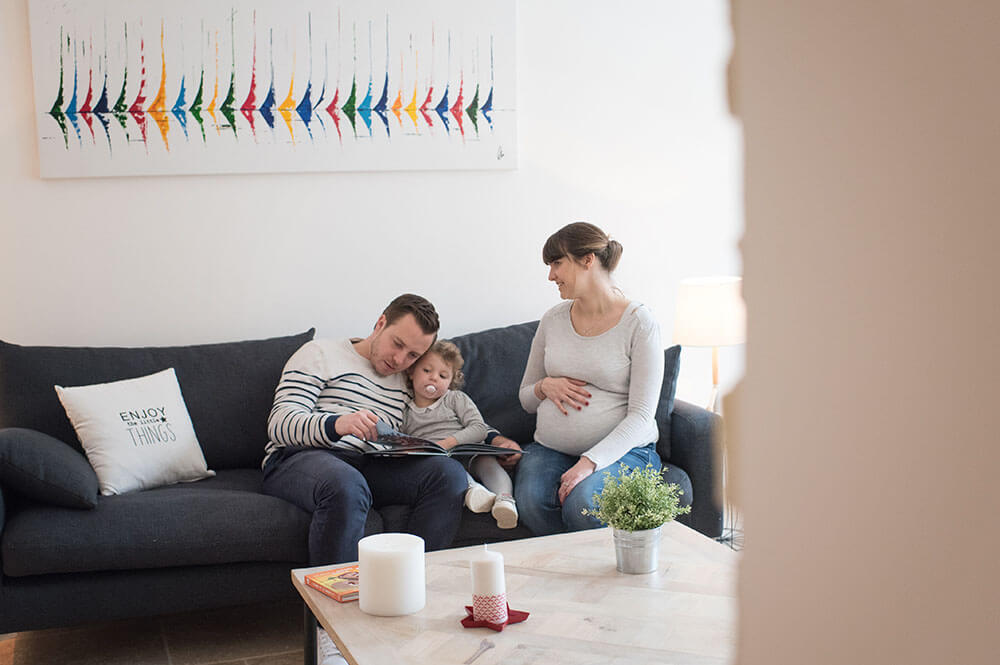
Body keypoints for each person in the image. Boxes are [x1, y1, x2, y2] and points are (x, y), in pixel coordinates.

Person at [261, 294, 469, 566]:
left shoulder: (407, 380)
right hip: (302, 457)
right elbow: (280, 423)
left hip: (370, 463)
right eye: (397, 344)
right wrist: (338, 424)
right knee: (345, 484)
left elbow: (444, 417)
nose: (399, 360)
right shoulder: (321, 353)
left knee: (449, 475)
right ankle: (332, 607)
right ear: (380, 323)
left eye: (413, 355)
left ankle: (412, 587)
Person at [514, 222, 664, 535]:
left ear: (587, 260)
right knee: (530, 501)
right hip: (550, 448)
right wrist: (544, 386)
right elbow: (526, 399)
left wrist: (589, 462)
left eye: (557, 263)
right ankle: (569, 573)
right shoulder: (552, 320)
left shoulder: (639, 323)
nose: (551, 276)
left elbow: (641, 416)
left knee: (583, 502)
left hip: (625, 451)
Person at [394, 340, 519, 529]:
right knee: (450, 469)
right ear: (411, 372)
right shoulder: (405, 412)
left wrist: (450, 442)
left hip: (467, 451)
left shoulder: (455, 399)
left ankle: (505, 500)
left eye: (442, 375)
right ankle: (474, 491)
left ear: (451, 382)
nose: (434, 378)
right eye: (426, 371)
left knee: (487, 462)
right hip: (439, 462)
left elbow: (479, 428)